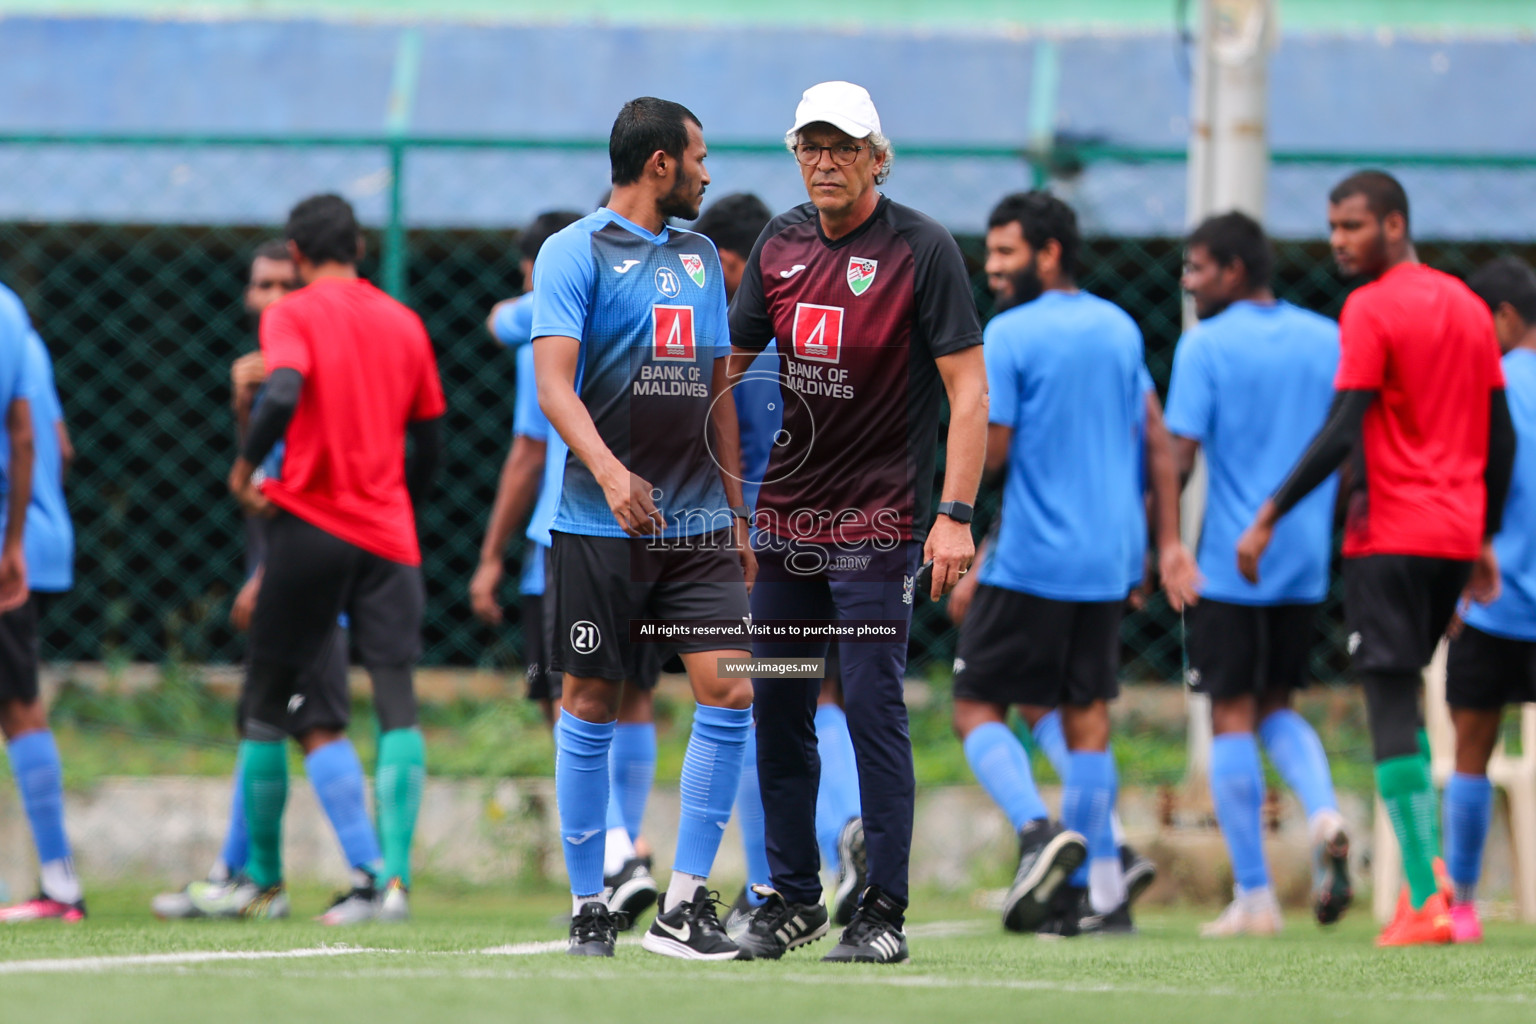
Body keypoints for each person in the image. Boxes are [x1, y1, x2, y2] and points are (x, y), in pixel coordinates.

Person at [728, 81, 988, 964]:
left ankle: (881, 912)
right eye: (811, 145)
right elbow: (730, 367)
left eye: (844, 146)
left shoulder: (923, 248)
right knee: (779, 703)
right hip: (788, 527)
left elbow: (968, 391)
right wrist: (731, 504)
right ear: (795, 153)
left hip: (881, 525)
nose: (825, 161)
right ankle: (794, 897)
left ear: (879, 157)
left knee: (873, 707)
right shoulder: (779, 240)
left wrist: (953, 517)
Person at [1237, 171, 1515, 947]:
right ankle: (1435, 895)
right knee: (1406, 706)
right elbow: (1502, 438)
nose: (1338, 242)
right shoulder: (1466, 304)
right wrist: (1483, 534)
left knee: (1391, 706)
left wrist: (1268, 515)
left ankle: (1425, 899)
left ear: (1394, 225)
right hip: (1454, 541)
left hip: (1390, 535)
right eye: (1333, 227)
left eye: (1352, 226)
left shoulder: (1369, 308)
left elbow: (1341, 426)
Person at [532, 97, 755, 960]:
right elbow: (555, 386)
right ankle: (591, 902)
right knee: (588, 702)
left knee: (731, 688)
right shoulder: (571, 251)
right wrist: (614, 472)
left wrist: (737, 511)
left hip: (698, 525)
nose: (709, 173)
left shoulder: (703, 257)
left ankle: (686, 902)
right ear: (660, 163)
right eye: (699, 157)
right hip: (598, 522)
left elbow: (717, 384)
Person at [949, 191, 1195, 937]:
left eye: (1005, 253)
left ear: (1049, 252)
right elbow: (1156, 443)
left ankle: (1035, 833)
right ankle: (1101, 891)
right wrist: (1164, 540)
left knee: (976, 706)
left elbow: (994, 454)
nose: (991, 268)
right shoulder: (1120, 328)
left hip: (1035, 558)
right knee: (1083, 718)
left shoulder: (1011, 332)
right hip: (1108, 559)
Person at [155, 243, 416, 924]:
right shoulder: (275, 364)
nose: (269, 297)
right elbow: (271, 480)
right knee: (271, 716)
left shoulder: (311, 361)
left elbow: (318, 485)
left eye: (281, 283)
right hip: (295, 559)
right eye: (259, 285)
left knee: (313, 720)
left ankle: (367, 873)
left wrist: (268, 575)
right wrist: (246, 402)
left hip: (316, 569)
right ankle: (239, 874)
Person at [225, 194, 445, 920]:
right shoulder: (405, 321)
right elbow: (431, 440)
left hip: (312, 525)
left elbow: (284, 387)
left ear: (295, 252)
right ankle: (396, 884)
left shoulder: (289, 314)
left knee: (265, 701)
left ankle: (260, 880)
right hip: (390, 534)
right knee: (396, 703)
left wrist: (249, 467)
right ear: (357, 245)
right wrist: (395, 496)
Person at [1166, 211, 1352, 937]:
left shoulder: (1205, 345)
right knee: (1280, 703)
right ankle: (1326, 808)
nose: (1188, 281)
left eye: (1199, 268)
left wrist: (1163, 547)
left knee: (1230, 714)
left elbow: (1179, 458)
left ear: (1235, 271)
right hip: (1303, 559)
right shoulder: (1327, 337)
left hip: (1229, 562)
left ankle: (1255, 896)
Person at [474, 209, 662, 925]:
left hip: (570, 530)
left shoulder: (549, 325)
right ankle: (632, 845)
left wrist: (491, 555)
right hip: (648, 523)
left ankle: (614, 856)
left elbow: (528, 450)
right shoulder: (659, 300)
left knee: (570, 699)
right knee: (635, 695)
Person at [694, 192, 869, 933]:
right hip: (830, 538)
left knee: (749, 704)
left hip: (758, 551)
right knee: (810, 698)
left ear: (735, 263)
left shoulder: (739, 349)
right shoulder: (814, 334)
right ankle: (849, 832)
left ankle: (780, 873)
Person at [1441, 256, 1536, 944]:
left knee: (1471, 750)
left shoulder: (1486, 384)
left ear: (1502, 318)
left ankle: (1464, 908)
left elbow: (1463, 486)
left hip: (1492, 601)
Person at [0, 282, 73, 922]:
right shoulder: (17, 321)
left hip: (9, 544)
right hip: (37, 542)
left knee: (19, 705)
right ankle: (59, 881)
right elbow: (54, 443)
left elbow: (24, 437)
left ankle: (61, 884)